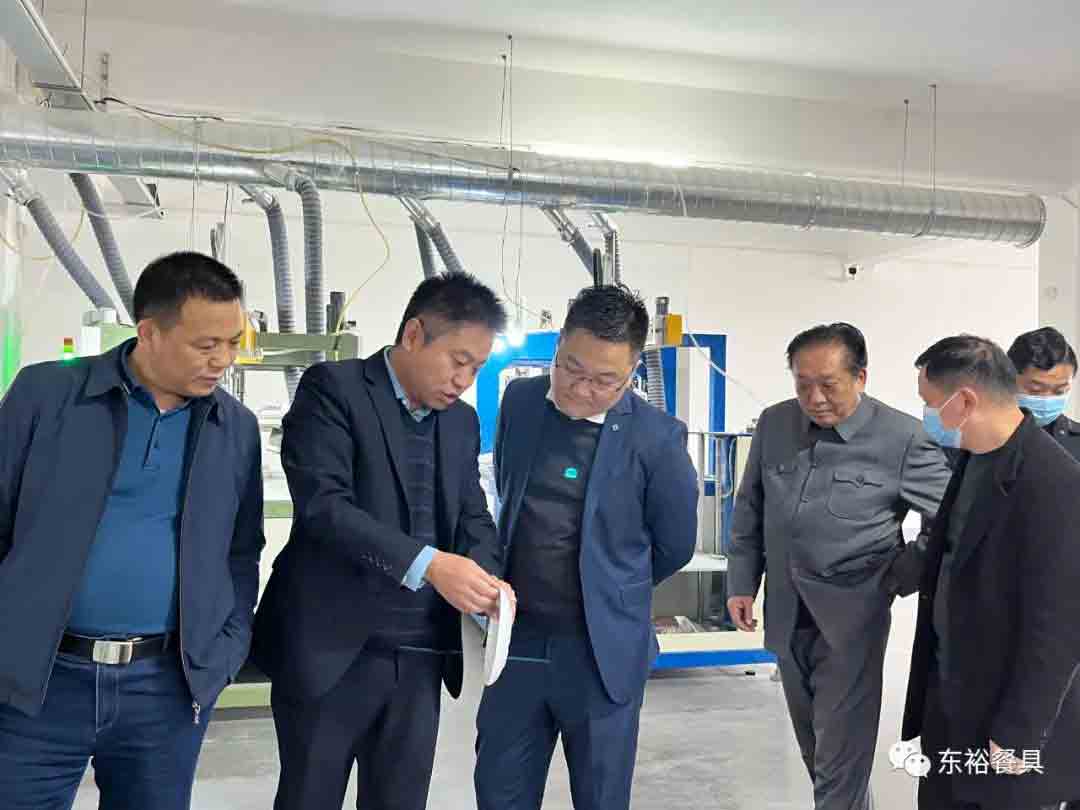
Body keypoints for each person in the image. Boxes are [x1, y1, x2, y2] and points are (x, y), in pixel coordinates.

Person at [0, 252, 264, 810]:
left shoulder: (234, 427)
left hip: (166, 689)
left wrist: (224, 650)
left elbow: (240, 551)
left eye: (232, 342)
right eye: (205, 345)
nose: (223, 360)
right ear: (149, 332)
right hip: (38, 684)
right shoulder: (47, 395)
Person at [253, 271, 512, 810]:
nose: (464, 380)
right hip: (332, 652)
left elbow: (472, 514)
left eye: (477, 367)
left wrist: (487, 581)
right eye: (458, 360)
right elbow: (324, 506)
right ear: (414, 335)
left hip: (420, 658)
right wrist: (430, 564)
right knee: (309, 796)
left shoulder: (460, 423)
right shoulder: (334, 390)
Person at [473, 284, 698, 810]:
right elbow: (507, 487)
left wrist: (609, 585)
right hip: (519, 642)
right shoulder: (521, 401)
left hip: (601, 653)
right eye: (571, 368)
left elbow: (675, 545)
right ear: (557, 347)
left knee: (601, 795)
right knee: (500, 790)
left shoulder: (657, 438)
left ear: (632, 372)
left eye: (604, 380)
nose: (581, 389)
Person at [726, 322, 950, 810]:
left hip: (853, 622)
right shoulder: (775, 424)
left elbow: (948, 521)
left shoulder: (903, 437)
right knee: (817, 751)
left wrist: (897, 576)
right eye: (803, 384)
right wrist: (742, 582)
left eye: (828, 384)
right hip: (787, 615)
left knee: (840, 757)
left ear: (860, 377)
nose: (815, 398)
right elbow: (750, 508)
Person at [902, 335, 1080, 809]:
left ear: (964, 401)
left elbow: (1058, 627)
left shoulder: (1055, 483)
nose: (927, 414)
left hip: (1004, 719)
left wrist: (1020, 730)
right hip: (953, 699)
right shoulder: (974, 458)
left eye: (930, 402)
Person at [1007, 326, 1080, 459]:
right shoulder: (978, 438)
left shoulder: (1076, 441)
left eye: (1059, 391)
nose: (1047, 399)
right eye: (1036, 390)